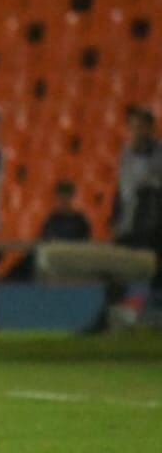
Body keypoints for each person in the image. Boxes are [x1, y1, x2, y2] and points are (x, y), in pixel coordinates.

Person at [86, 106, 162, 332]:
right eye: (133, 126)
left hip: (156, 224)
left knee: (157, 273)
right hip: (130, 222)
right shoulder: (126, 154)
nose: (136, 131)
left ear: (151, 128)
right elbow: (122, 189)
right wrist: (115, 216)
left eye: (141, 126)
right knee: (115, 270)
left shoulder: (158, 155)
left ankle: (153, 317)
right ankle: (109, 317)